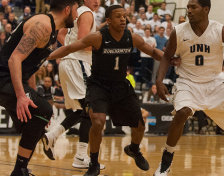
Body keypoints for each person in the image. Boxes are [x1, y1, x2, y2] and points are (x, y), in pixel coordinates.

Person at [48, 5, 175, 176]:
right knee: (98, 122)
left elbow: (152, 51)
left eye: (124, 16)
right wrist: (46, 56)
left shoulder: (131, 37)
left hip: (120, 86)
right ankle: (93, 163)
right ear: (108, 20)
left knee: (139, 126)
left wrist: (171, 60)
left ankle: (134, 149)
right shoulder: (98, 37)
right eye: (118, 16)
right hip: (99, 86)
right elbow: (70, 48)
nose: (123, 19)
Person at [155, 0, 224, 175]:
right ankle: (165, 161)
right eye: (188, 7)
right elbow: (167, 56)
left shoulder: (221, 30)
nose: (189, 10)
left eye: (194, 7)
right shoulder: (179, 31)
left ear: (206, 10)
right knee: (183, 112)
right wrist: (159, 80)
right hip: (188, 82)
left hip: (215, 82)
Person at [0, 0, 79, 175]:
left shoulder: (52, 29)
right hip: (4, 79)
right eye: (76, 9)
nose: (77, 14)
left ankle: (21, 169)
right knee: (43, 110)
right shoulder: (42, 25)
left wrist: (32, 94)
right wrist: (22, 96)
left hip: (11, 80)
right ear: (67, 9)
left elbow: (31, 65)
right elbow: (15, 59)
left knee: (34, 119)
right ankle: (19, 171)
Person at [42, 0, 105, 170]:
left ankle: (53, 135)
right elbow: (84, 43)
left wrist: (70, 48)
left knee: (81, 110)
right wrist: (104, 48)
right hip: (78, 63)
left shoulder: (77, 13)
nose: (97, 1)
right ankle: (80, 156)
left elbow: (62, 33)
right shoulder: (87, 13)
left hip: (69, 63)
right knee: (90, 109)